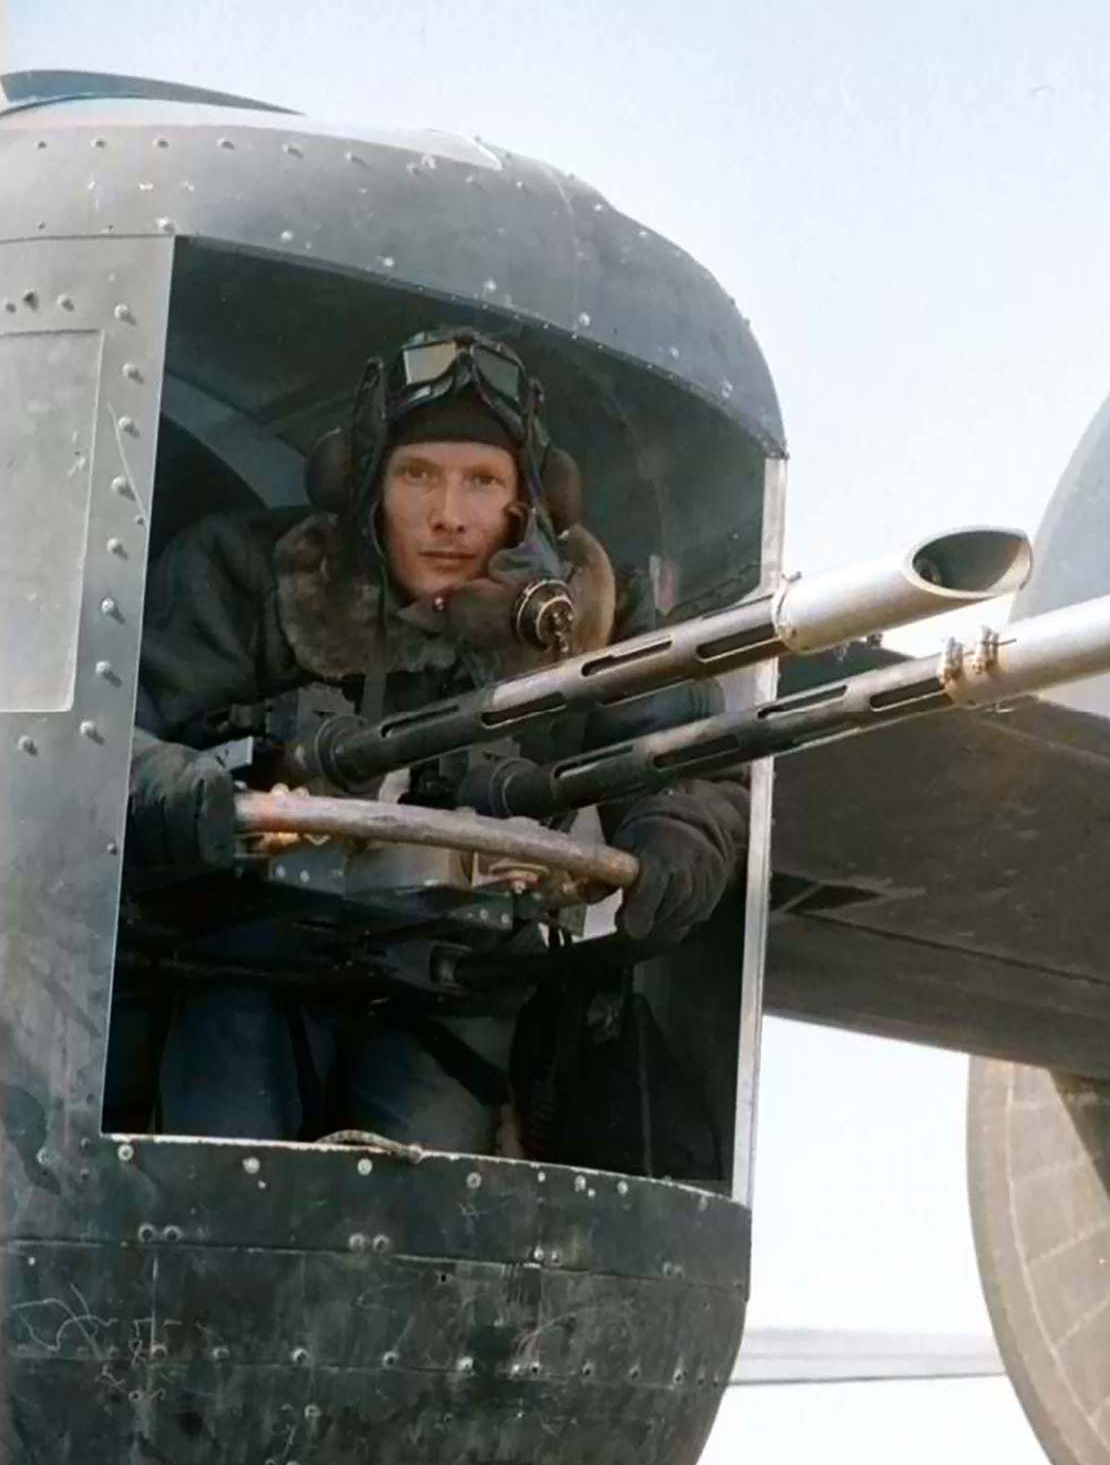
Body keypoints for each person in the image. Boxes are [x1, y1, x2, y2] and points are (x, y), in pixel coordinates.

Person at [122, 328, 746, 1153]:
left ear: (528, 503)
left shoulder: (592, 618)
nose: (449, 517)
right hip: (247, 965)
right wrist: (213, 799)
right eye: (418, 475)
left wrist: (676, 834)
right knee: (223, 1170)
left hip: (456, 985)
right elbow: (106, 743)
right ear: (364, 485)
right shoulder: (244, 574)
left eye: (482, 482)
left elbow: (683, 758)